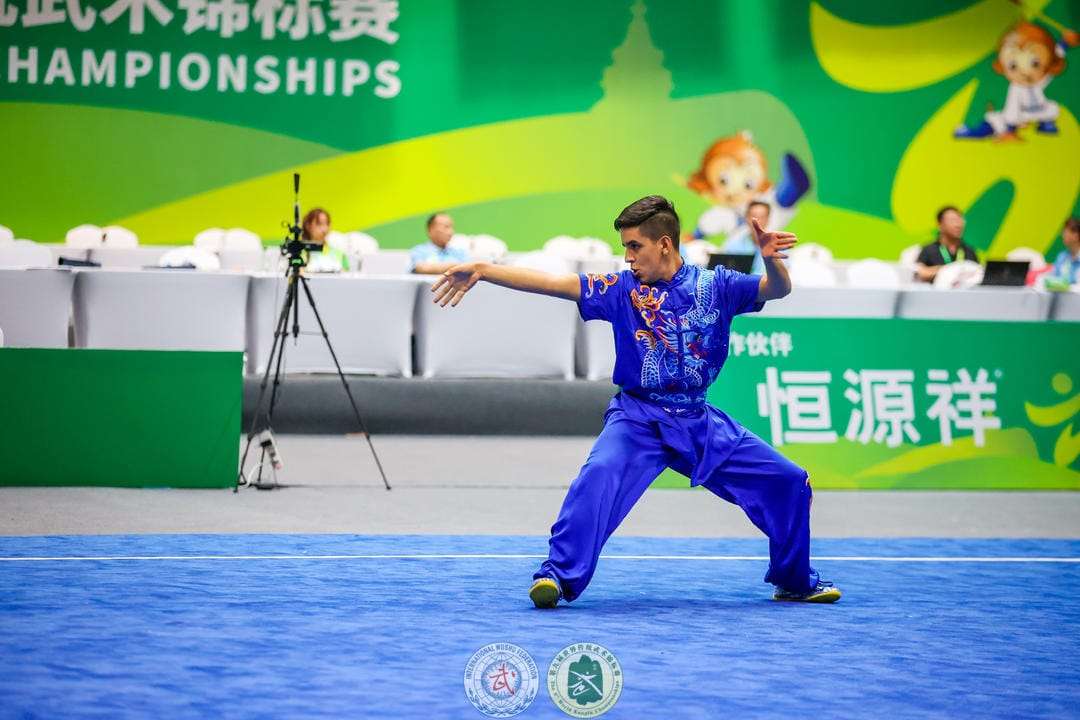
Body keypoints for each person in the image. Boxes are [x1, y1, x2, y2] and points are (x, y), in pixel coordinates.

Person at [431, 195, 841, 606]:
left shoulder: (718, 285)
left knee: (789, 481)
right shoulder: (620, 289)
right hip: (638, 417)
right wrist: (483, 270)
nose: (627, 257)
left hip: (697, 420)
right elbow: (555, 284)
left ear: (664, 243)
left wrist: (771, 259)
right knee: (599, 474)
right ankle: (556, 576)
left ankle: (793, 580)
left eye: (634, 246)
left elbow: (777, 289)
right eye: (625, 247)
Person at [914, 206, 980, 283]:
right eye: (953, 220)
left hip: (964, 293)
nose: (958, 225)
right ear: (940, 225)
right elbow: (921, 273)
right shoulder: (929, 250)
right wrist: (950, 270)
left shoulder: (969, 251)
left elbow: (978, 274)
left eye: (960, 220)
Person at [716, 200, 773, 275]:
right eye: (754, 217)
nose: (758, 222)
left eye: (762, 217)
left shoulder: (779, 248)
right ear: (747, 218)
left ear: (768, 219)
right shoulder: (732, 246)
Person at [301, 207, 349, 272]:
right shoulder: (300, 252)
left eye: (327, 224)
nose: (324, 229)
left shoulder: (339, 252)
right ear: (308, 225)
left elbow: (346, 275)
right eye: (319, 224)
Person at [1050, 217, 1080, 284]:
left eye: (1065, 232)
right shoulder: (1062, 257)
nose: (1062, 235)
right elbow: (1053, 278)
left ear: (1076, 235)